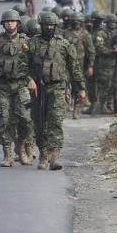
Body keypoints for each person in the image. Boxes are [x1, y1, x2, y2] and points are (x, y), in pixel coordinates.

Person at [29, 11, 86, 170]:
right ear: (41, 26)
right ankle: (43, 155)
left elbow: (74, 68)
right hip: (38, 90)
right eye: (46, 25)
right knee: (40, 123)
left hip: (58, 88)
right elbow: (22, 65)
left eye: (51, 25)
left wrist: (81, 88)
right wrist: (30, 79)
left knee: (55, 121)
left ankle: (55, 156)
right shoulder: (32, 44)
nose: (48, 27)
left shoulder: (64, 45)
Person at [0, 10, 36, 167]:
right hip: (3, 85)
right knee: (4, 120)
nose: (10, 23)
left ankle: (21, 146)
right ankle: (7, 155)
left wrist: (32, 80)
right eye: (7, 21)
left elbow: (34, 64)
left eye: (13, 21)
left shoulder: (27, 42)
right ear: (3, 24)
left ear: (18, 23)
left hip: (22, 85)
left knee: (26, 119)